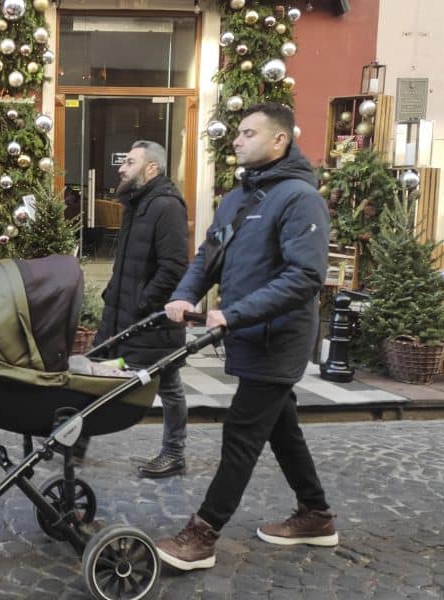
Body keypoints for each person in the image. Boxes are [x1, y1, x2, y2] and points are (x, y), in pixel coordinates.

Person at [157, 103, 338, 571]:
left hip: (279, 339)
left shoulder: (299, 199)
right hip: (248, 333)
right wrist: (184, 295)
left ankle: (203, 533)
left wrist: (233, 314)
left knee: (242, 431)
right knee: (282, 427)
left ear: (280, 140)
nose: (236, 140)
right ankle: (316, 515)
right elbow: (208, 255)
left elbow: (305, 277)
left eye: (248, 133)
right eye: (237, 132)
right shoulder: (238, 197)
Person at [81, 140, 190, 478]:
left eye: (130, 162)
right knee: (95, 373)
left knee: (168, 386)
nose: (121, 168)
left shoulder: (167, 206)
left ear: (151, 168)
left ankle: (174, 453)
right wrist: (113, 296)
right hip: (121, 313)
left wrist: (144, 303)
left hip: (150, 320)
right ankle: (75, 442)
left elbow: (173, 267)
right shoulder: (136, 203)